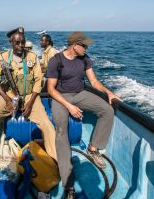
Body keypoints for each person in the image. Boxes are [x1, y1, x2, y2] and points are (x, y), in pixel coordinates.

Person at [0, 27, 57, 182]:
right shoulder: (3, 58)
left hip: (29, 97)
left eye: (23, 42)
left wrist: (31, 102)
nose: (21, 45)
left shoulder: (32, 56)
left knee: (47, 125)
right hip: (10, 96)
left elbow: (39, 80)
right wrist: (6, 99)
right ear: (11, 43)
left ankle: (54, 162)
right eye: (17, 42)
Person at [46, 31, 118, 198]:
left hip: (80, 94)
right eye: (84, 45)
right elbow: (50, 89)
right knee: (61, 128)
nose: (86, 48)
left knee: (107, 110)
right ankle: (67, 179)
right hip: (60, 97)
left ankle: (93, 148)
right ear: (74, 46)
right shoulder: (55, 60)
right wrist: (69, 106)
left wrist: (109, 93)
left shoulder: (85, 59)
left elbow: (93, 82)